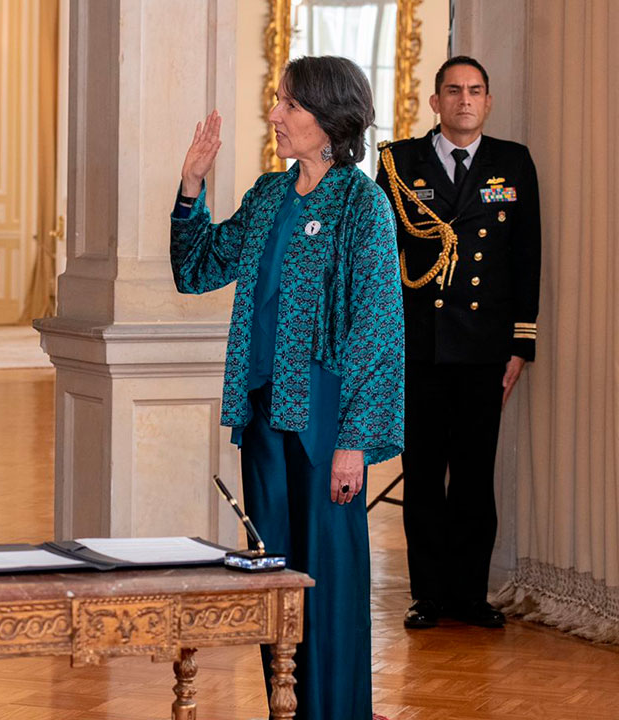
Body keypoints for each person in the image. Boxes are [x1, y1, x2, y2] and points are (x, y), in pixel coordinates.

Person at [170, 56, 403, 719]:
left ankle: (339, 712)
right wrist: (192, 184)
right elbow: (198, 268)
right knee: (276, 579)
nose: (274, 116)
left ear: (330, 121)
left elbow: (377, 332)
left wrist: (355, 442)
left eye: (289, 106)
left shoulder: (364, 205)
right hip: (265, 417)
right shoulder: (270, 195)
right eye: (277, 102)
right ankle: (288, 707)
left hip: (329, 424)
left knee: (328, 581)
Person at [375, 56, 540, 631]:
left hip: (484, 351)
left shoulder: (511, 162)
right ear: (436, 102)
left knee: (473, 476)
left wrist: (521, 343)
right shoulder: (398, 164)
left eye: (475, 91)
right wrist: (380, 342)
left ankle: (470, 595)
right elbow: (379, 260)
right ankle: (429, 595)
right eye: (453, 91)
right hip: (419, 348)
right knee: (422, 475)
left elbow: (526, 257)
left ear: (488, 102)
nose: (464, 100)